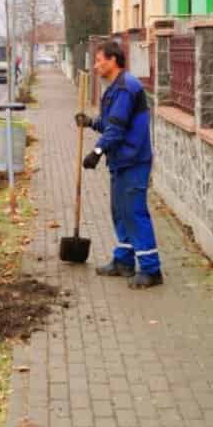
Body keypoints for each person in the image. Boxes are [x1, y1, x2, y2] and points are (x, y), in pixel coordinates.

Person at [75, 40, 158, 287]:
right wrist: (90, 122)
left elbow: (117, 130)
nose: (96, 65)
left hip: (133, 161)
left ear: (113, 60)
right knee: (120, 211)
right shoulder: (114, 88)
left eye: (99, 60)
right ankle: (123, 261)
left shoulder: (125, 88)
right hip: (121, 162)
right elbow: (111, 123)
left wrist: (97, 151)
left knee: (134, 212)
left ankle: (151, 269)